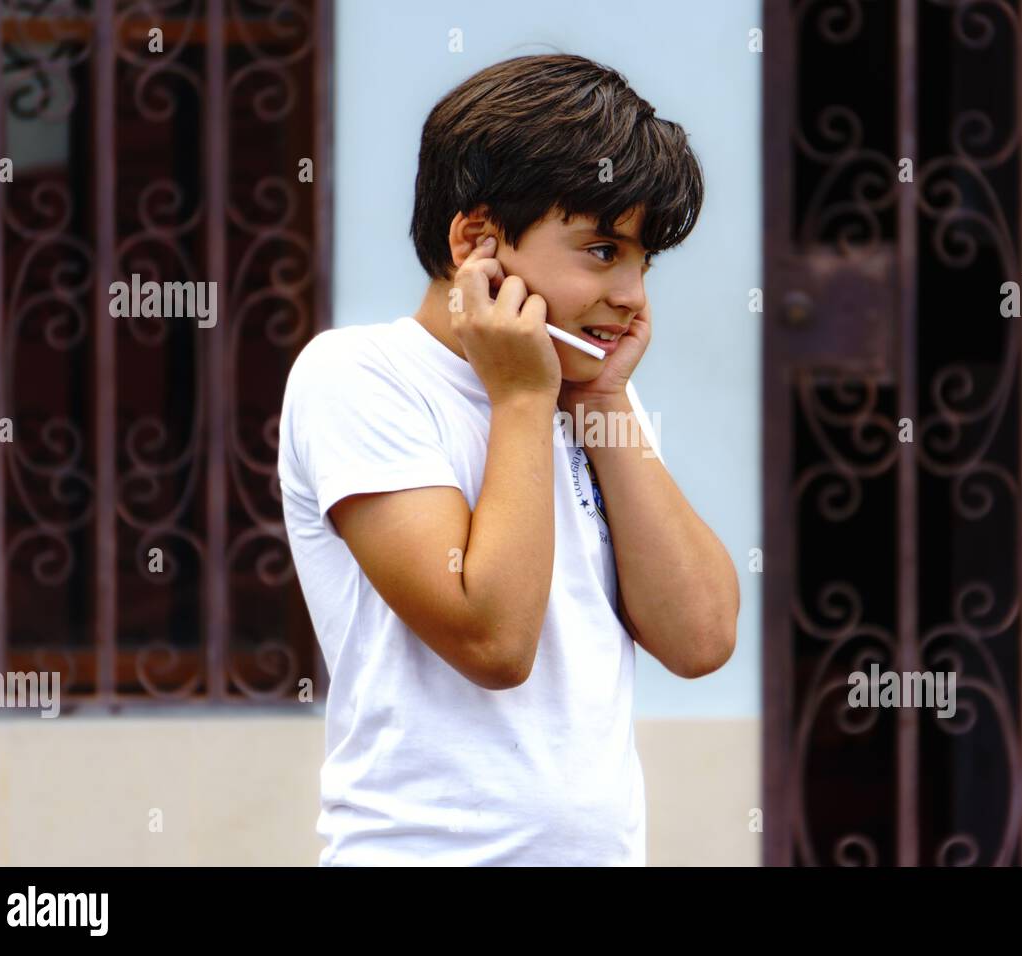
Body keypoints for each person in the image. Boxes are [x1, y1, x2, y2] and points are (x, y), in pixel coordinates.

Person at [279, 53, 739, 866]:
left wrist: (597, 405)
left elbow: (701, 638)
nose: (632, 294)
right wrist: (521, 403)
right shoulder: (360, 377)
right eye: (602, 251)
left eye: (643, 261)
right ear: (477, 241)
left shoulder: (590, 399)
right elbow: (493, 641)